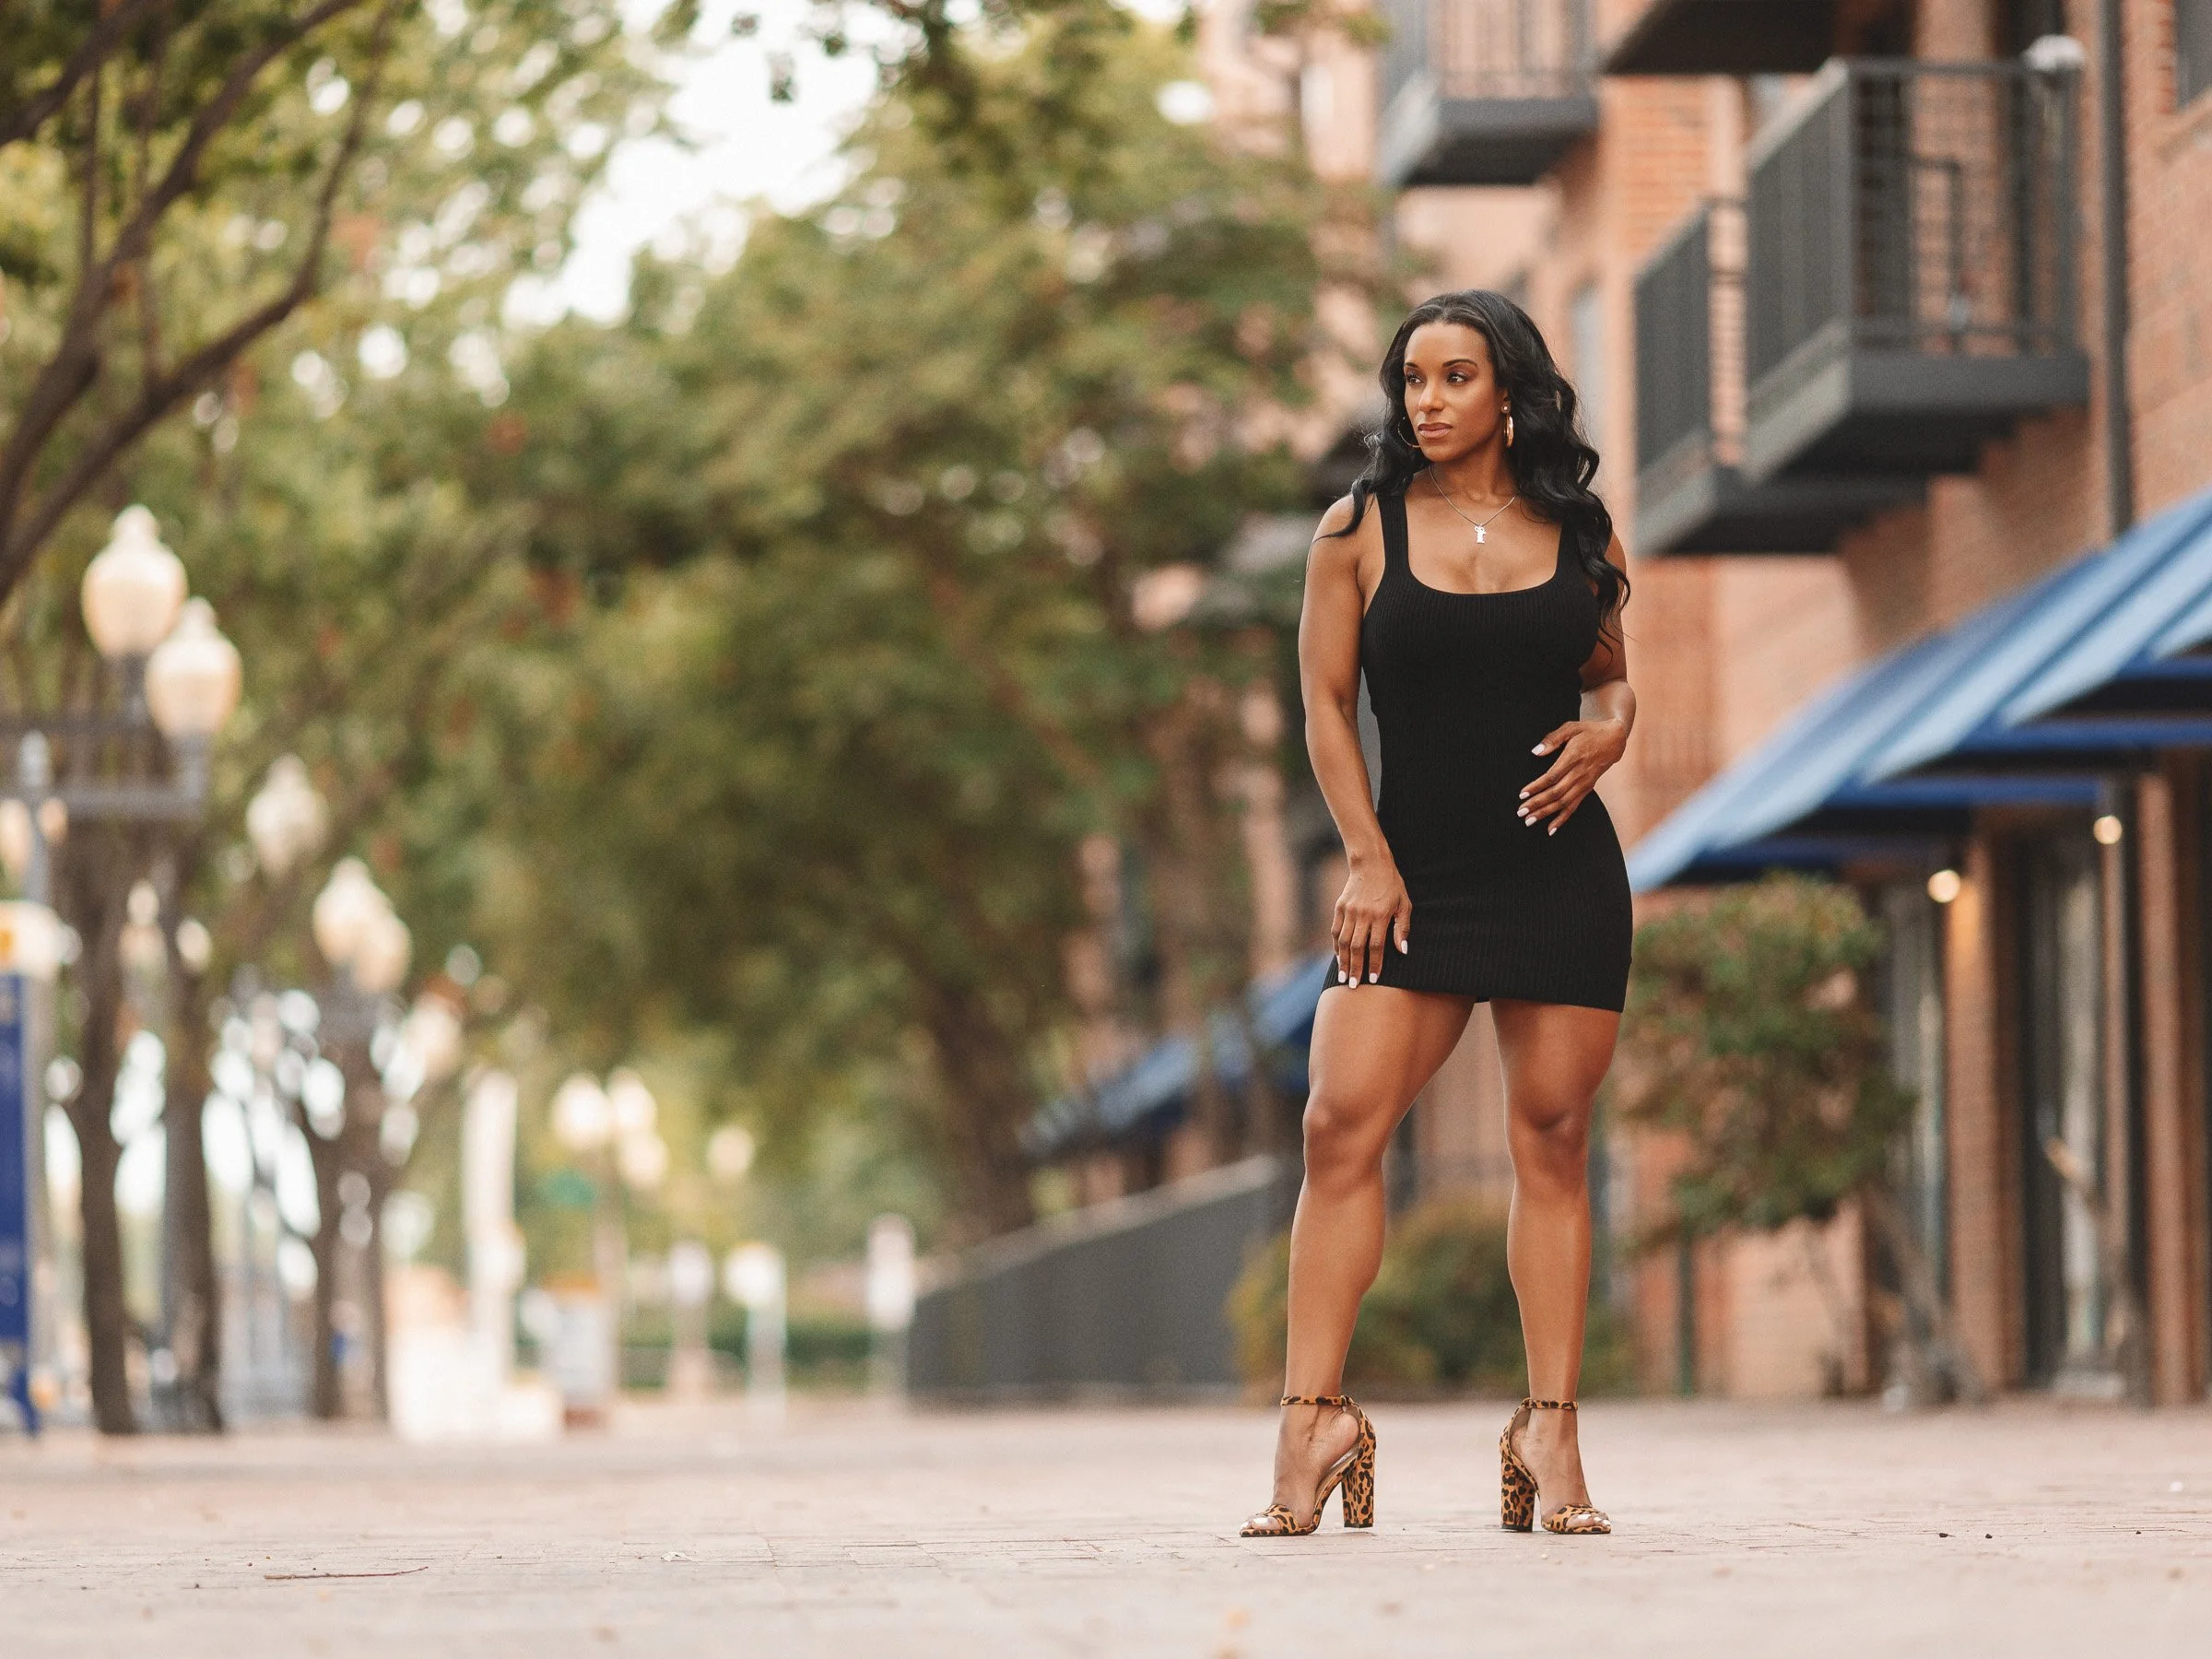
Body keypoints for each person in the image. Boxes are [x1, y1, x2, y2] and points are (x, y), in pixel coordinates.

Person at [1239, 290, 1633, 1540]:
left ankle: (1549, 1431)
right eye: (1412, 379)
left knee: (1554, 1139)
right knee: (1336, 1125)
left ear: (1508, 394)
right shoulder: (1355, 530)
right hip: (1406, 877)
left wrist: (1608, 740)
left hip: (1558, 868)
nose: (1426, 400)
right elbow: (1321, 708)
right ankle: (1314, 1420)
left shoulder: (1580, 534)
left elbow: (1615, 683)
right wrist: (1366, 858)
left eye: (1455, 377)